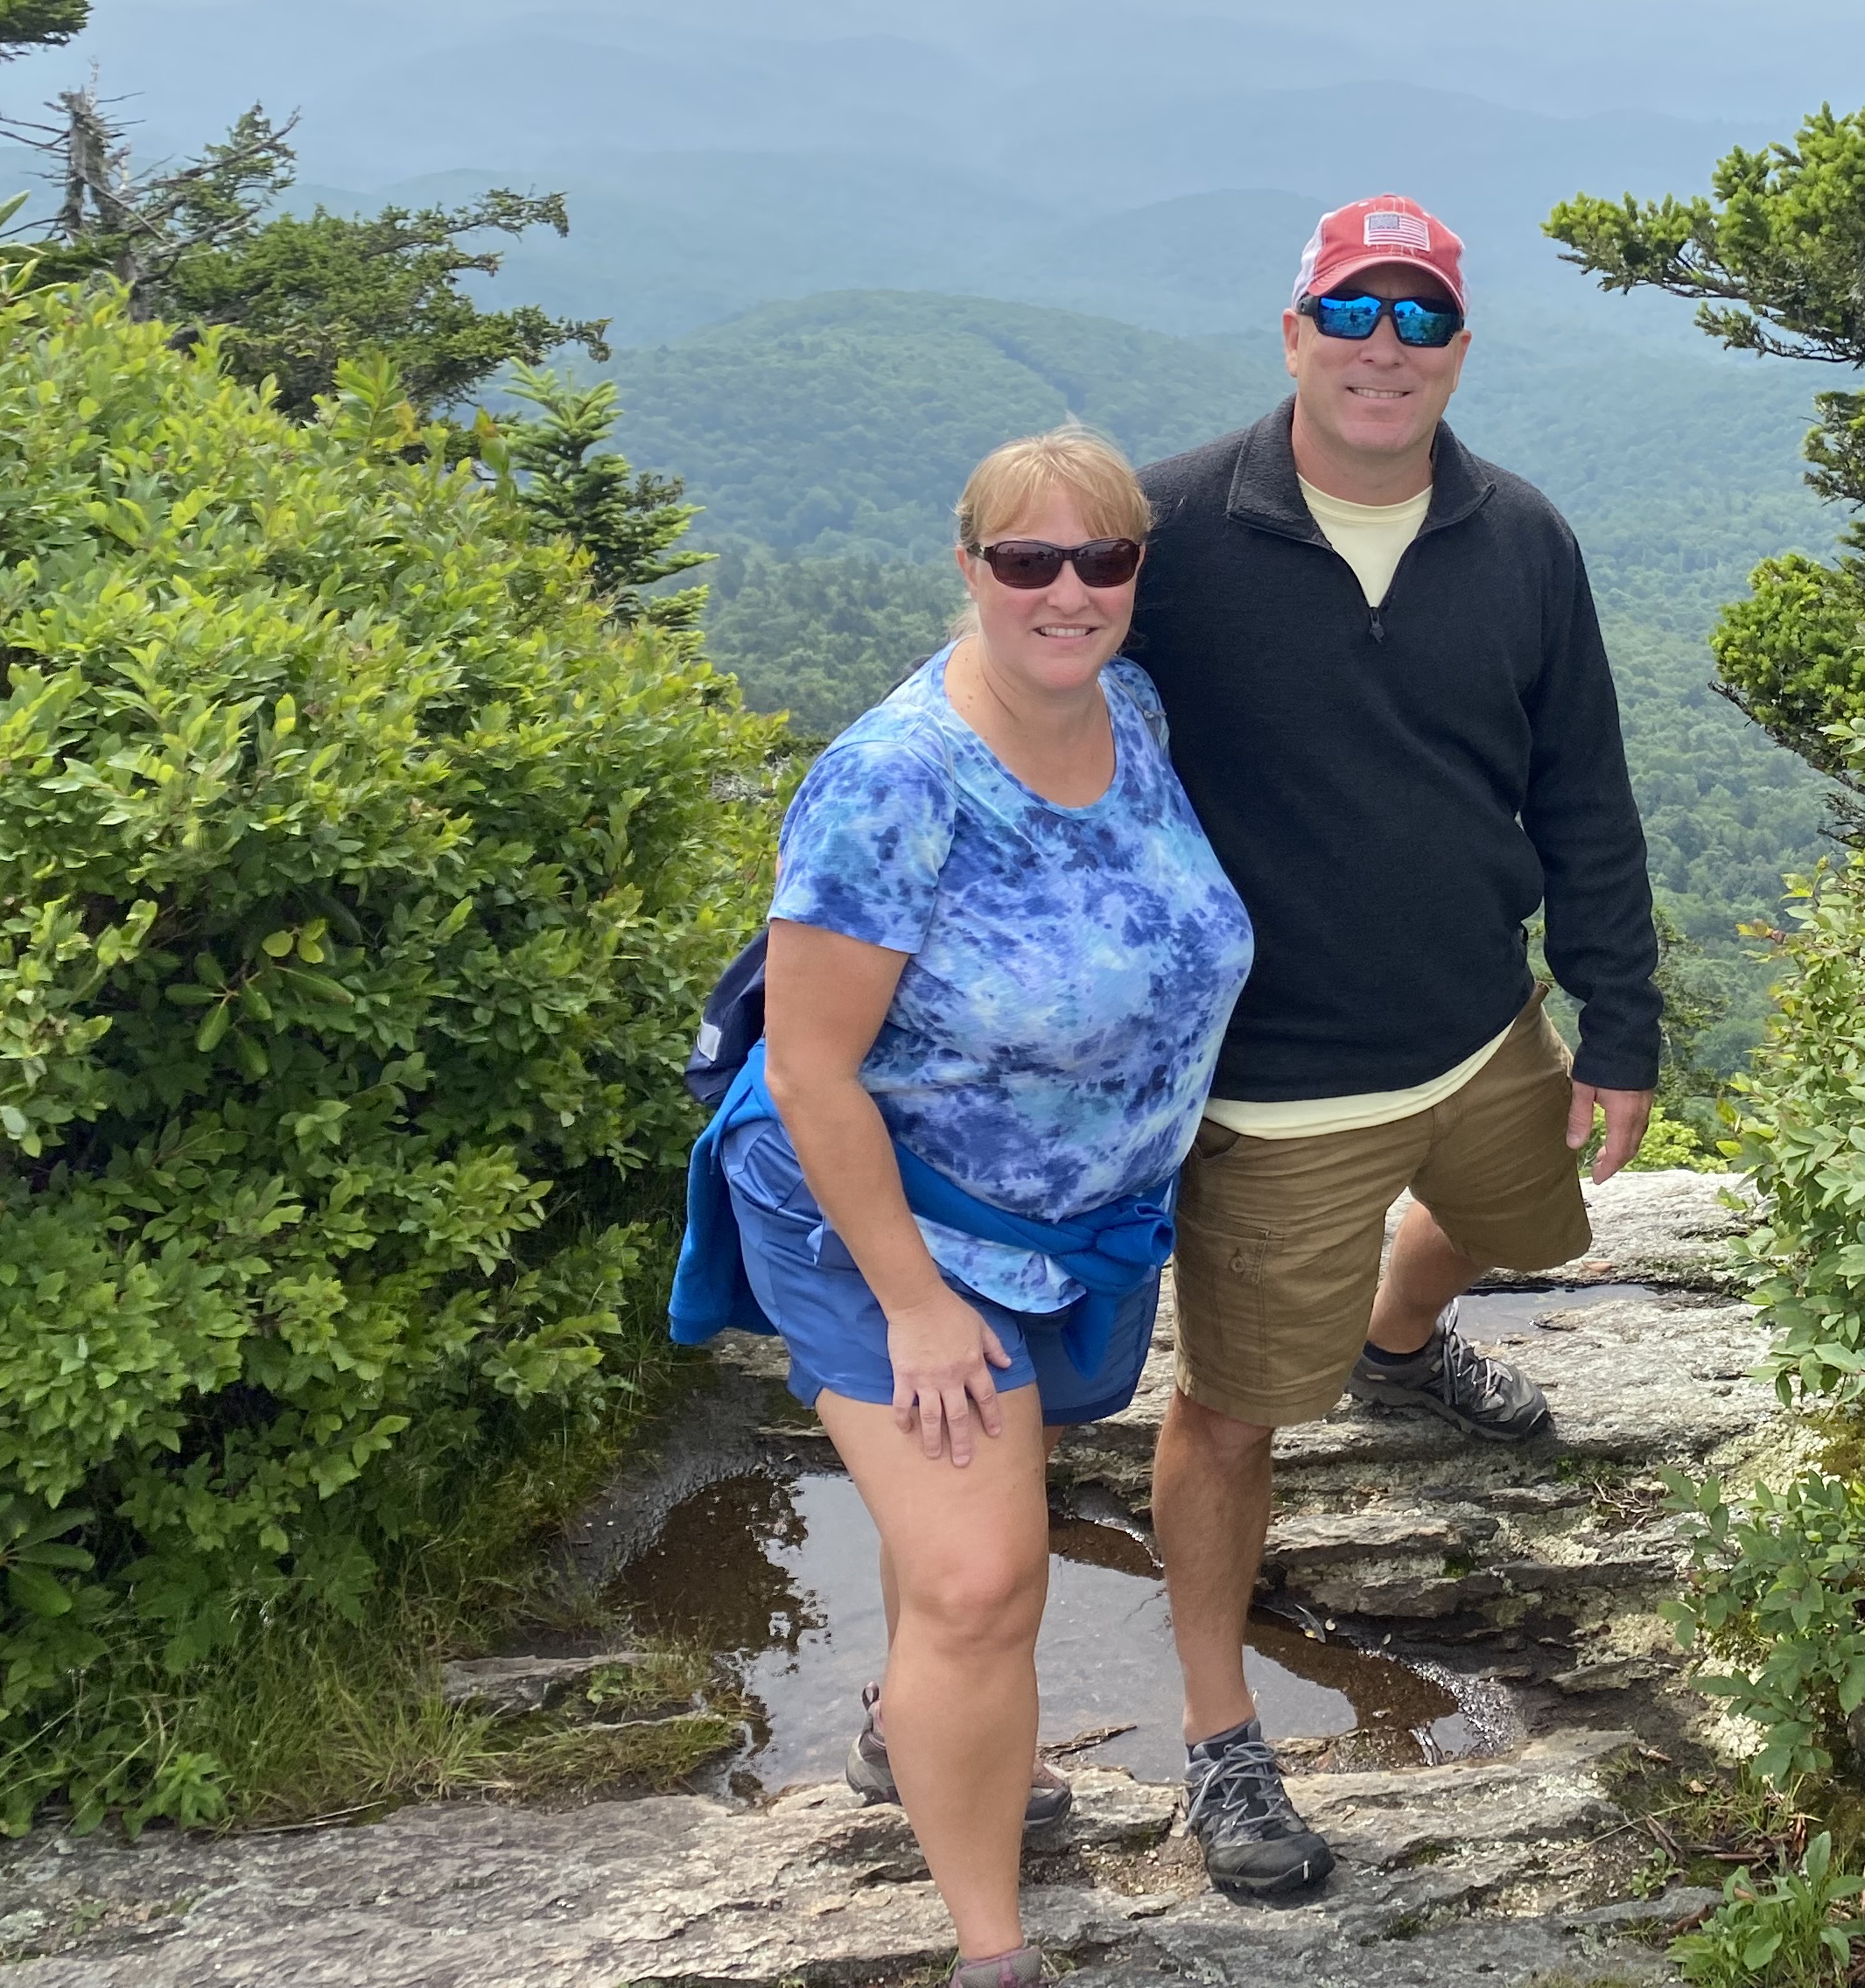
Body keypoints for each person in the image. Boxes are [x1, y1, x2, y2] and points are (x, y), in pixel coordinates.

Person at [669, 427, 1254, 1988]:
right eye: (1027, 560)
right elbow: (811, 1072)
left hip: (1062, 1230)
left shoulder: (1132, 710)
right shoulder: (894, 781)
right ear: (970, 566)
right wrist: (918, 1304)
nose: (1068, 591)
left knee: (961, 1544)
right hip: (885, 1218)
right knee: (987, 1579)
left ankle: (904, 1724)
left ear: (1137, 573)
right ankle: (992, 1951)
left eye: (1103, 559)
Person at [1128, 193, 1660, 1900]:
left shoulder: (1522, 538)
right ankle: (1222, 1740)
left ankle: (1400, 1337)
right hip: (1274, 1079)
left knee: (1523, 1222)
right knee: (1232, 1409)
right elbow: (1031, 696)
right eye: (1352, 314)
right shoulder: (1170, 528)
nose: (1384, 347)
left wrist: (1619, 1016)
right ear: (1295, 334)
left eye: (1419, 318)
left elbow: (1583, 790)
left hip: (1481, 1024)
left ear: (1459, 350)